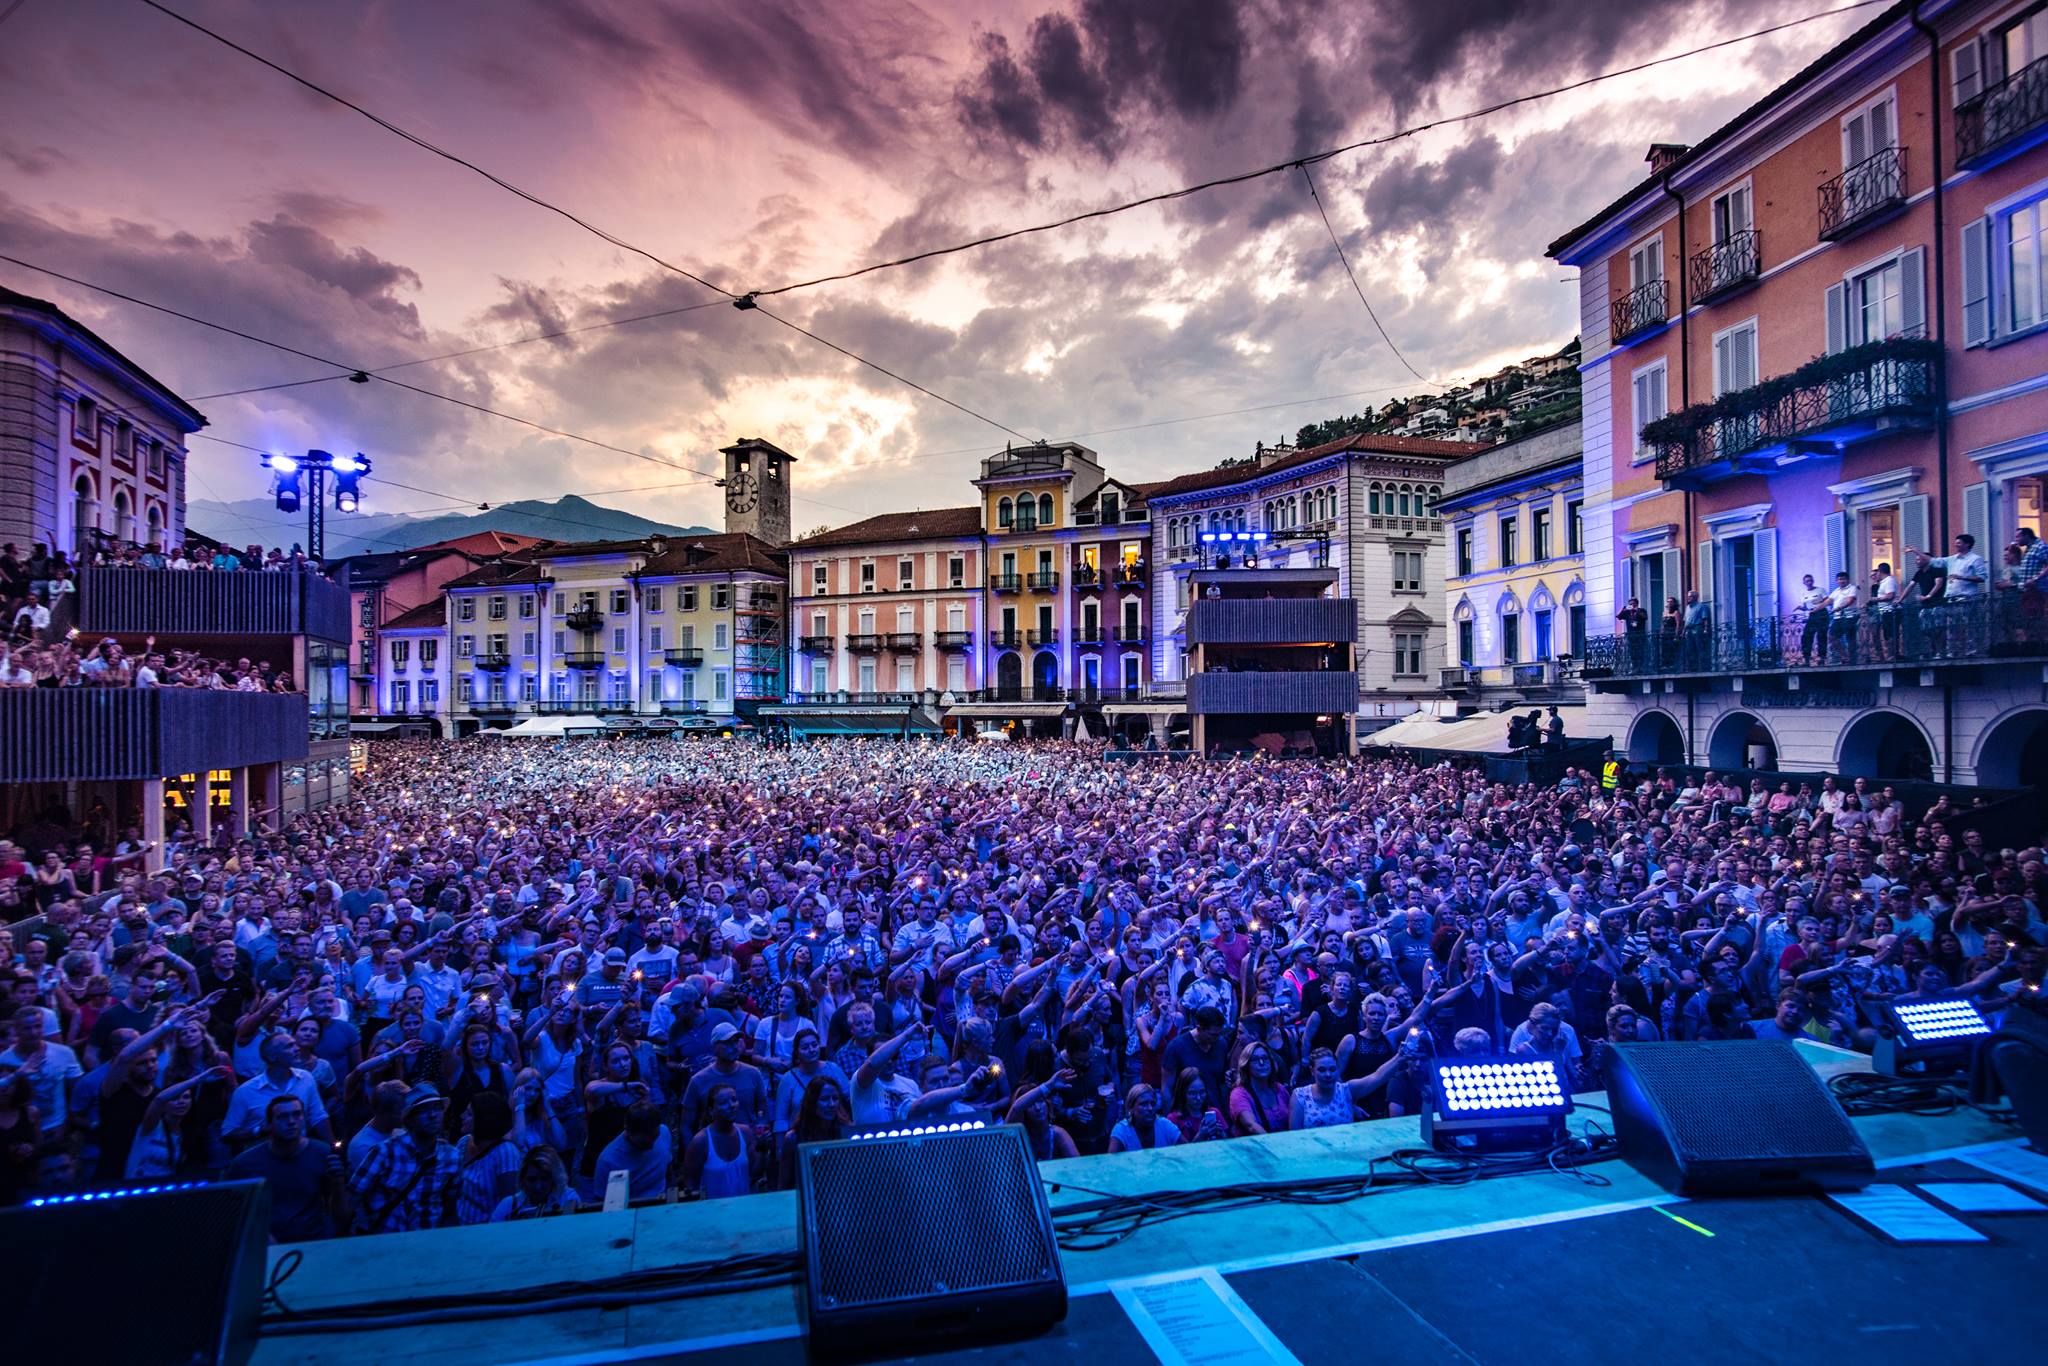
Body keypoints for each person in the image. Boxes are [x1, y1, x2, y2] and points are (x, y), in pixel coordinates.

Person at [228, 1094, 347, 1241]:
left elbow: (340, 1213)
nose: (291, 1121)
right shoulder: (245, 1164)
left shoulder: (322, 1154)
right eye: (283, 1117)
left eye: (297, 1115)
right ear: (270, 1124)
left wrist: (338, 1184)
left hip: (313, 1241)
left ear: (304, 1118)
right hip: (266, 1245)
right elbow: (234, 1214)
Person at [348, 1090, 460, 1234]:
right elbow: (353, 1199)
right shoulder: (384, 1152)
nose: (433, 1115)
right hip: (387, 1242)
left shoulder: (451, 1156)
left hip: (428, 1244)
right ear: (409, 1120)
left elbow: (450, 1208)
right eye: (423, 1110)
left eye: (437, 1108)